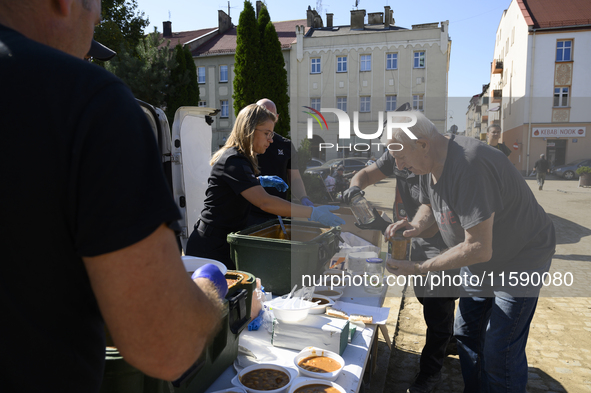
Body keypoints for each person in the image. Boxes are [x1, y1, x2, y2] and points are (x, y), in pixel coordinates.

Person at [0, 1, 225, 391]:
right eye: (95, 16)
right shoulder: (86, 100)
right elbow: (167, 343)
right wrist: (211, 290)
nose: (97, 28)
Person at [385, 111, 555, 392]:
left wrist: (419, 268)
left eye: (401, 156)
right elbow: (429, 205)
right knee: (467, 334)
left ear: (424, 144)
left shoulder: (469, 164)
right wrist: (414, 226)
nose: (399, 165)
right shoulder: (430, 163)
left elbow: (477, 247)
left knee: (500, 348)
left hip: (521, 257)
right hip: (483, 257)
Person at [343, 154, 459, 393]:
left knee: (438, 306)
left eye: (400, 152)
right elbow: (365, 174)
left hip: (441, 238)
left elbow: (434, 214)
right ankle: (447, 338)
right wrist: (354, 190)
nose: (397, 160)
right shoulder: (394, 154)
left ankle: (431, 372)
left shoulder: (437, 160)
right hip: (411, 234)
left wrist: (404, 228)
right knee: (424, 296)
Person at [186, 104, 344, 269]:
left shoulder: (241, 158)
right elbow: (265, 202)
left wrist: (258, 180)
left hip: (223, 241)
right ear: (249, 130)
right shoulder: (233, 160)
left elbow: (233, 188)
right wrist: (313, 212)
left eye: (272, 134)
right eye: (267, 133)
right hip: (209, 245)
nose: (271, 139)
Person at [246, 98, 314, 227]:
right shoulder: (244, 147)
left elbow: (295, 178)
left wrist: (303, 198)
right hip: (251, 213)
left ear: (276, 117)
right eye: (262, 113)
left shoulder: (285, 145)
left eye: (270, 115)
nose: (269, 141)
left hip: (279, 212)